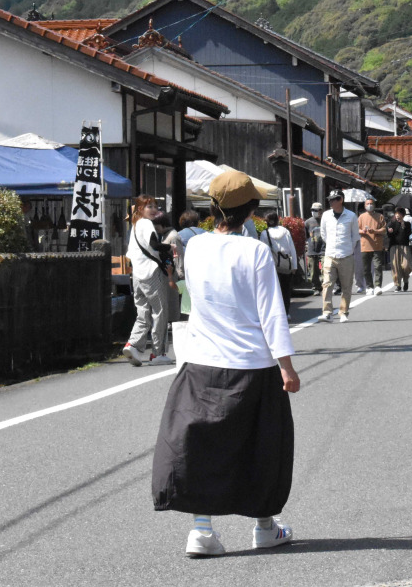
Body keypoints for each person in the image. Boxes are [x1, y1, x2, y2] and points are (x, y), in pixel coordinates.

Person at [151, 170, 300, 557]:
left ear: (212, 208)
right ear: (251, 209)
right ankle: (265, 527)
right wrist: (287, 366)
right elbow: (272, 314)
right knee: (263, 446)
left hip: (201, 361)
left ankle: (201, 530)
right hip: (253, 363)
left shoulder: (195, 247)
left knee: (200, 446)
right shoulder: (255, 251)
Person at [123, 195, 175, 366]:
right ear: (140, 209)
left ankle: (133, 345)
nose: (154, 210)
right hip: (152, 273)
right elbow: (154, 245)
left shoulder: (135, 225)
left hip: (137, 275)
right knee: (160, 312)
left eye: (155, 206)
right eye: (149, 206)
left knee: (142, 312)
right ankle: (158, 353)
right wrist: (170, 246)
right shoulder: (146, 224)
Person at [320, 191, 358, 322]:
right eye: (329, 200)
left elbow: (355, 237)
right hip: (330, 254)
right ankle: (327, 312)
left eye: (333, 200)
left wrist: (348, 249)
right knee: (327, 284)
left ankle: (343, 312)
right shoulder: (326, 215)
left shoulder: (351, 216)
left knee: (346, 285)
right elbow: (323, 234)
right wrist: (331, 246)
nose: (330, 202)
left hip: (346, 255)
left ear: (340, 200)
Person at [262, 211, 298, 316]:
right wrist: (294, 265)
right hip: (286, 264)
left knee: (274, 291)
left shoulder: (265, 233)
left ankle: (278, 314)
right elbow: (292, 248)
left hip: (273, 266)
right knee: (286, 290)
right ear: (277, 220)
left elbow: (264, 251)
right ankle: (286, 313)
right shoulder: (285, 231)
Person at [358, 198, 389, 295]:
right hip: (365, 245)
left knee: (378, 266)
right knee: (366, 268)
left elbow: (384, 230)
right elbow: (356, 229)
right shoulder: (361, 217)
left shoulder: (380, 216)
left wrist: (374, 231)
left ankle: (378, 286)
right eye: (367, 204)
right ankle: (369, 287)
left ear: (374, 205)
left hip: (377, 245)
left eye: (371, 203)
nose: (369, 205)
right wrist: (362, 231)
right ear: (364, 206)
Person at [387, 207, 412, 292]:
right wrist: (389, 231)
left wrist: (403, 226)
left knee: (406, 266)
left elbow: (408, 233)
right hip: (394, 247)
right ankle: (398, 284)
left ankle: (406, 280)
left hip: (405, 246)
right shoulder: (391, 223)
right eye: (396, 214)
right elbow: (388, 235)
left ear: (403, 215)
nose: (397, 216)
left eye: (399, 214)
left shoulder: (407, 224)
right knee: (395, 266)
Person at [304, 202, 324, 293]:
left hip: (324, 249)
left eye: (316, 210)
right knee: (313, 271)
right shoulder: (308, 222)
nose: (314, 212)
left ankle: (325, 286)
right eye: (312, 210)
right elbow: (306, 235)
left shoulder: (325, 220)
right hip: (312, 249)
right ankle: (316, 287)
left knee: (326, 270)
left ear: (321, 211)